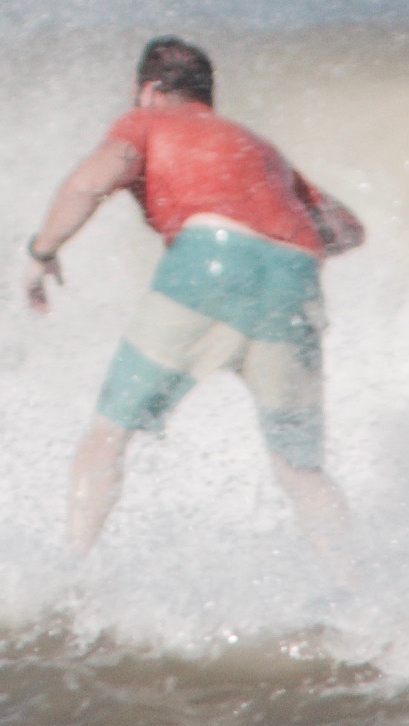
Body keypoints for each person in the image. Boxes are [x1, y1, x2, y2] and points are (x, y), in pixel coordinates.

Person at [21, 37, 367, 567]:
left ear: (148, 90)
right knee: (300, 469)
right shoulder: (259, 148)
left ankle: (68, 572)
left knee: (108, 435)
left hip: (209, 260)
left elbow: (89, 183)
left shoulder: (147, 121)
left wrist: (42, 252)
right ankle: (353, 588)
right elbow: (346, 230)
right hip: (296, 282)